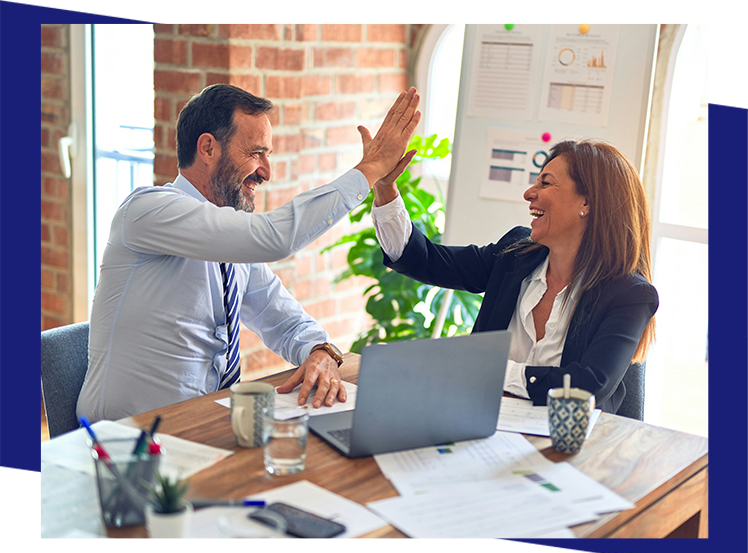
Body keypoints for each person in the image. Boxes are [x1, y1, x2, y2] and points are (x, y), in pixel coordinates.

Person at [77, 83, 420, 423]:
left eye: (267, 155)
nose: (266, 172)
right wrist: (370, 169)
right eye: (256, 153)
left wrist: (320, 351)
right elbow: (275, 238)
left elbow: (282, 318)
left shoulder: (230, 243)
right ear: (208, 148)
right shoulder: (148, 211)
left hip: (204, 427)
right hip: (126, 442)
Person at [370, 139, 658, 414]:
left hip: (571, 449)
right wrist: (385, 188)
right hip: (482, 427)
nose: (529, 193)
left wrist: (489, 369)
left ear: (587, 203)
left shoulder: (629, 295)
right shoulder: (515, 255)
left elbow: (586, 387)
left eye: (545, 183)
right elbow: (426, 260)